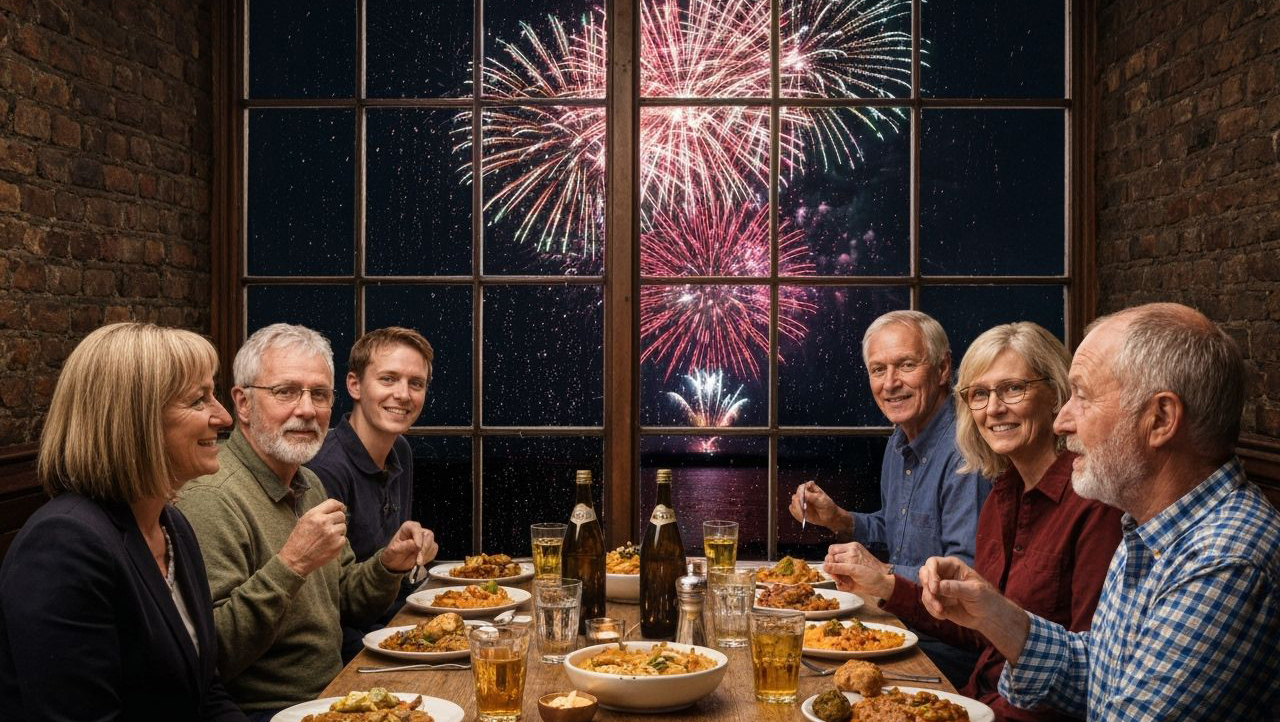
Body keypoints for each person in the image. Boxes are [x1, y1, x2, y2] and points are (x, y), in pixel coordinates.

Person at [918, 303, 1280, 719]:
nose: (1062, 421)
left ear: (1159, 419)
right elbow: (1101, 674)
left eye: (1082, 397)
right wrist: (995, 614)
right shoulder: (1149, 528)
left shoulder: (1224, 562)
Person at [824, 322, 1122, 721]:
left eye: (1013, 388)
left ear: (1056, 394)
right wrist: (891, 586)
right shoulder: (1002, 494)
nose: (994, 408)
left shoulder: (1094, 504)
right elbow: (979, 626)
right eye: (979, 394)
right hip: (975, 697)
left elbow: (1094, 677)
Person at [176, 323, 438, 720]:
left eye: (319, 395)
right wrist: (293, 563)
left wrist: (389, 564)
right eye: (285, 392)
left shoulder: (309, 481)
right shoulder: (213, 496)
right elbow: (213, 655)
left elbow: (347, 600)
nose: (306, 409)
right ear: (242, 403)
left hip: (337, 693)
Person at [0, 323, 246, 721]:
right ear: (137, 421)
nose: (223, 416)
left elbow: (207, 696)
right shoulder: (64, 545)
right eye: (199, 400)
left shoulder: (173, 526)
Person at [788, 310, 991, 684]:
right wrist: (839, 519)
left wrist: (883, 574)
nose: (890, 383)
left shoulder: (967, 452)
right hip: (901, 627)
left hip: (947, 656)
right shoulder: (899, 439)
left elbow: (967, 578)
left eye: (906, 365)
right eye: (878, 370)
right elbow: (899, 531)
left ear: (943, 369)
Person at [307, 326, 434, 662]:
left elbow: (395, 580)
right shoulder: (325, 469)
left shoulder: (400, 450)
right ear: (354, 385)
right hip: (353, 649)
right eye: (388, 379)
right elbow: (333, 605)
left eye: (416, 383)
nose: (404, 395)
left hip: (394, 624)